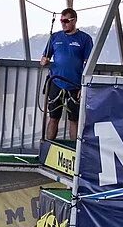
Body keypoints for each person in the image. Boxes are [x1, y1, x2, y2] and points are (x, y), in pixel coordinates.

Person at [39, 8, 94, 141]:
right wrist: (44, 61)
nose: (63, 24)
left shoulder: (85, 39)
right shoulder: (55, 37)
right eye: (61, 21)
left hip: (74, 85)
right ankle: (47, 147)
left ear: (74, 21)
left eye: (66, 21)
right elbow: (43, 59)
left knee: (74, 120)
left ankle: (75, 151)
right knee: (53, 117)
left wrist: (83, 86)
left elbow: (89, 64)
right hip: (56, 82)